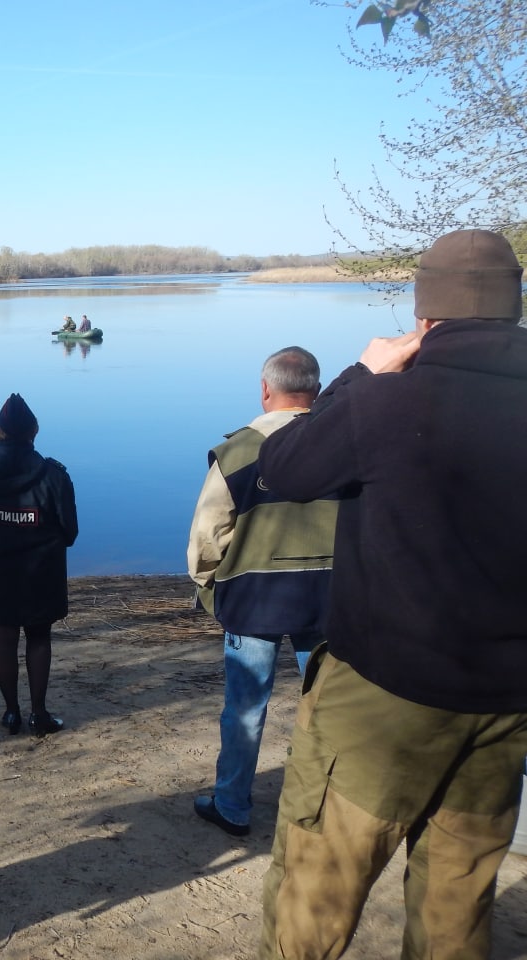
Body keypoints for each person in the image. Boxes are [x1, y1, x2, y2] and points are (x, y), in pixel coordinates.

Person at [256, 229, 527, 959]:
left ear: (425, 315)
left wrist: (358, 376)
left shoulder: (387, 400)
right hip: (505, 706)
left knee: (313, 899)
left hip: (384, 699)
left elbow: (283, 468)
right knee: (456, 910)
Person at [186, 346, 337, 838]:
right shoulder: (348, 445)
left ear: (265, 390)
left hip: (254, 601)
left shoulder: (237, 452)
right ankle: (322, 805)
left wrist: (208, 587)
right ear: (315, 390)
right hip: (329, 599)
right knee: (327, 706)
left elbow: (208, 535)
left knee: (246, 707)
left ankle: (232, 805)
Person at [0, 393, 78, 737]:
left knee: (3, 638)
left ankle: (11, 713)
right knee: (39, 637)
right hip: (40, 573)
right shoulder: (54, 476)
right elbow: (70, 531)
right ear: (34, 432)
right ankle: (38, 714)